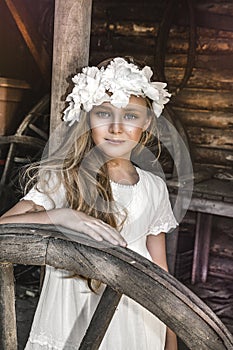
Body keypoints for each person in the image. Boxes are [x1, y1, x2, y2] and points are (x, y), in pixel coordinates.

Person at [0, 57, 178, 349]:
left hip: (137, 318)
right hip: (73, 316)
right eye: (104, 113)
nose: (117, 128)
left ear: (146, 122)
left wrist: (171, 339)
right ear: (88, 117)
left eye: (131, 116)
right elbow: (4, 227)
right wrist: (63, 216)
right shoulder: (62, 179)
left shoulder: (155, 187)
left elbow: (161, 270)